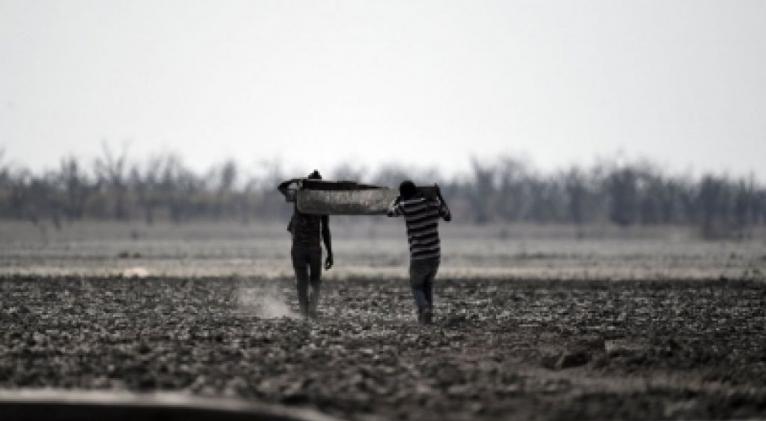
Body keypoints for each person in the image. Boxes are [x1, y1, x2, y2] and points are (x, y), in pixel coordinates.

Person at [387, 180, 451, 324]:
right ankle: (427, 317)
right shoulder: (433, 204)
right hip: (435, 254)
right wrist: (439, 196)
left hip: (418, 255)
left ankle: (424, 308)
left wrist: (396, 200)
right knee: (428, 284)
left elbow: (389, 212)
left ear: (403, 194)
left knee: (416, 285)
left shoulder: (405, 206)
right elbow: (448, 216)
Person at [277, 170, 333, 319]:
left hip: (300, 248)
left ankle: (305, 312)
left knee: (303, 281)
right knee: (314, 281)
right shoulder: (320, 202)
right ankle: (310, 311)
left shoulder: (299, 196)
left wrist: (295, 181)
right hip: (312, 248)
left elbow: (282, 187)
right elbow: (325, 229)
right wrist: (329, 253)